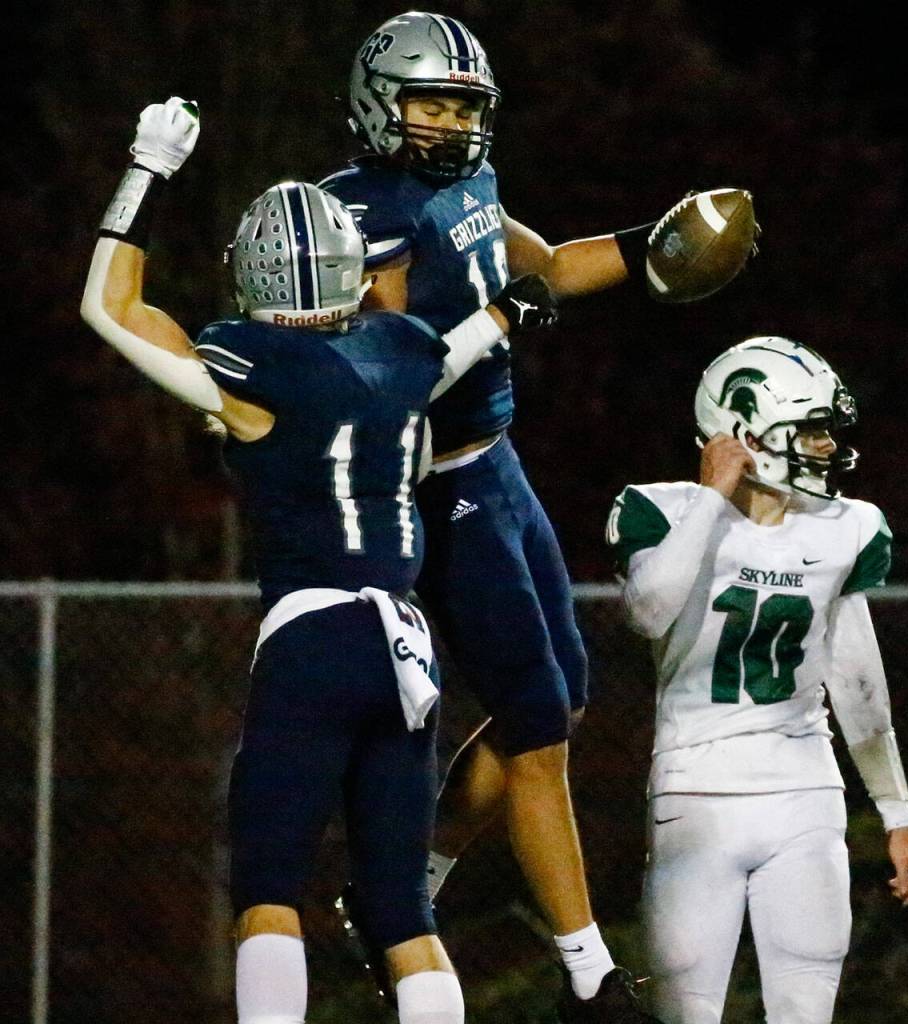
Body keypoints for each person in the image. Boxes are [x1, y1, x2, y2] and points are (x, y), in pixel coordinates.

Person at [80, 97, 557, 1024]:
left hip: (315, 637)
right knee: (402, 912)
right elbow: (461, 344)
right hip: (406, 649)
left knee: (269, 887)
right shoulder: (403, 347)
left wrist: (146, 170)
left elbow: (111, 305)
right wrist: (510, 305)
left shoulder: (248, 364)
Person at [321, 13, 692, 1020]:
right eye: (430, 103)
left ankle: (401, 891)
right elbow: (395, 368)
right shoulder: (361, 209)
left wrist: (652, 246)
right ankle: (587, 971)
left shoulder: (465, 186)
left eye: (463, 106)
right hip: (437, 485)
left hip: (502, 465)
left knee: (559, 694)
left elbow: (546, 266)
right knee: (535, 719)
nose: (449, 124)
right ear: (379, 102)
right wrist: (489, 326)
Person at [605, 336, 908, 1024]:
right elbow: (649, 608)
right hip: (694, 797)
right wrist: (711, 498)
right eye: (808, 429)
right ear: (744, 430)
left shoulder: (846, 528)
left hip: (805, 795)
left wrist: (897, 814)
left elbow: (858, 684)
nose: (824, 447)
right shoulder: (663, 510)